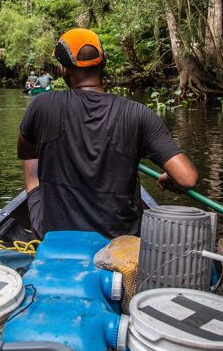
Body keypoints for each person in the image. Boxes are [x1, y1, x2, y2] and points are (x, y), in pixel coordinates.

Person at [17, 28, 198, 239]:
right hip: (119, 240)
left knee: (33, 166)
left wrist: (38, 189)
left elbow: (27, 153)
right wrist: (170, 177)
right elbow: (186, 179)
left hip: (52, 233)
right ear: (105, 61)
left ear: (63, 70)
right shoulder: (138, 113)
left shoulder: (42, 105)